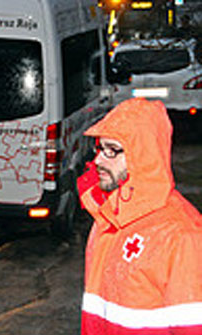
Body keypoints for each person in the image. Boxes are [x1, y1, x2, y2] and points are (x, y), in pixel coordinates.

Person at [77, 98, 202, 334]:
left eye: (112, 150)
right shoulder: (107, 219)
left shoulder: (182, 234)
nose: (99, 160)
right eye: (100, 148)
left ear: (143, 155)